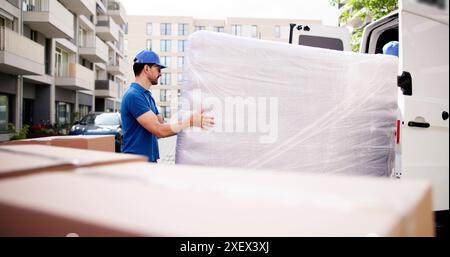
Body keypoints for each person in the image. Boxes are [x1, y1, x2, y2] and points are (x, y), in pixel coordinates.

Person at [121, 50, 214, 162]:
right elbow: (159, 131)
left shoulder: (147, 96)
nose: (161, 73)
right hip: (136, 163)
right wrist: (191, 121)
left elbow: (160, 123)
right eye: (158, 69)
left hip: (148, 161)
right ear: (146, 69)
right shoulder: (134, 96)